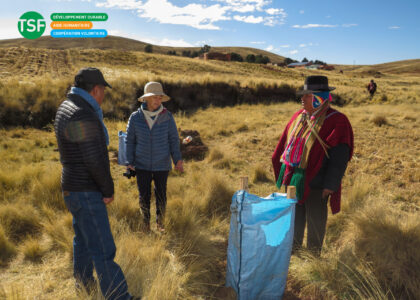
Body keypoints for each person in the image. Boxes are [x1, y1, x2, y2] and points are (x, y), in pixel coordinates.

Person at [54, 68, 137, 300]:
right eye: (103, 91)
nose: (103, 97)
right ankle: (119, 296)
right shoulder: (83, 113)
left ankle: (84, 286)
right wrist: (107, 189)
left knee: (82, 239)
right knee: (102, 247)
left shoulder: (65, 107)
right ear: (96, 89)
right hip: (86, 190)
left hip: (72, 187)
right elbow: (93, 158)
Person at [272, 75, 354, 255]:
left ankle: (313, 258)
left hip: (318, 184)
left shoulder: (337, 121)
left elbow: (340, 158)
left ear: (320, 98)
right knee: (295, 218)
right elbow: (283, 147)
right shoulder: (298, 117)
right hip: (294, 180)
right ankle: (294, 252)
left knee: (316, 221)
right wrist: (284, 175)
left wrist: (330, 185)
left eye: (307, 95)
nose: (302, 99)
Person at [126, 82, 183, 232]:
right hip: (141, 163)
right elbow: (129, 141)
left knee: (161, 195)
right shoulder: (135, 118)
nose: (158, 101)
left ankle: (160, 223)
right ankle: (145, 223)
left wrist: (177, 160)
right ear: (146, 99)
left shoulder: (167, 117)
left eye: (160, 98)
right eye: (155, 98)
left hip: (162, 163)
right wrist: (129, 161)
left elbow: (173, 140)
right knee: (143, 195)